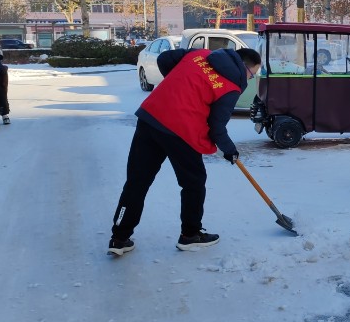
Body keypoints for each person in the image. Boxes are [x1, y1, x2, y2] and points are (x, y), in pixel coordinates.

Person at [107, 46, 262, 256]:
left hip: (151, 117)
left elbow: (164, 59)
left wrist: (179, 87)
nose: (250, 79)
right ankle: (190, 234)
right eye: (252, 74)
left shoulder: (200, 54)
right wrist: (229, 150)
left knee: (137, 181)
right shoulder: (231, 86)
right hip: (181, 130)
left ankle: (119, 237)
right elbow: (217, 127)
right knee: (194, 182)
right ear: (245, 67)